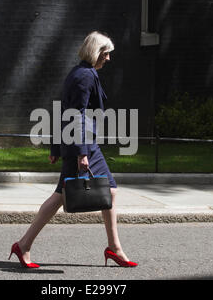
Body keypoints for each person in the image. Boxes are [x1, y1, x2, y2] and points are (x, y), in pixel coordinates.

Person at [9, 31, 137, 268]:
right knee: (62, 195)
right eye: (105, 53)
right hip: (82, 145)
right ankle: (24, 244)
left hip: (81, 143)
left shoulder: (80, 73)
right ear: (95, 52)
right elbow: (76, 115)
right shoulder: (85, 76)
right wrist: (81, 153)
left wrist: (56, 146)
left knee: (107, 190)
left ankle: (114, 248)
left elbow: (63, 110)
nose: (108, 58)